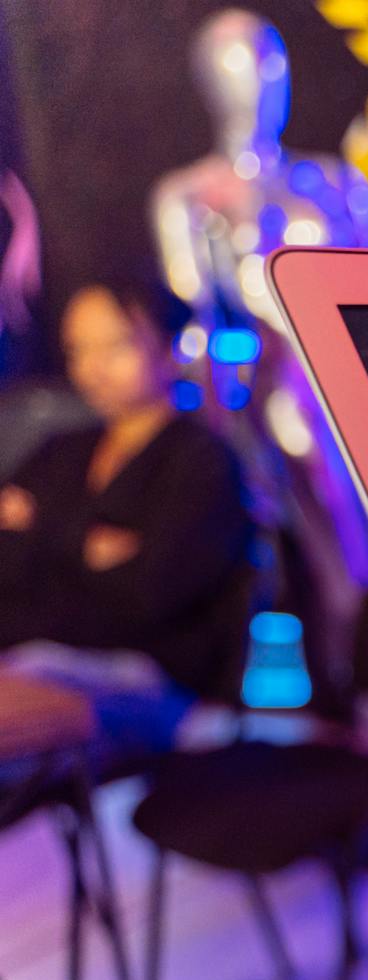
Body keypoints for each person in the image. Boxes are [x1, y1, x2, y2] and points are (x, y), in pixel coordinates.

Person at [0, 278, 252, 759]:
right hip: (28, 657)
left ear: (168, 345)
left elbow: (151, 594)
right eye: (78, 350)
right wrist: (86, 549)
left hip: (150, 684)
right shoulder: (62, 451)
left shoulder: (202, 461)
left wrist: (42, 530)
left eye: (115, 346)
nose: (92, 368)